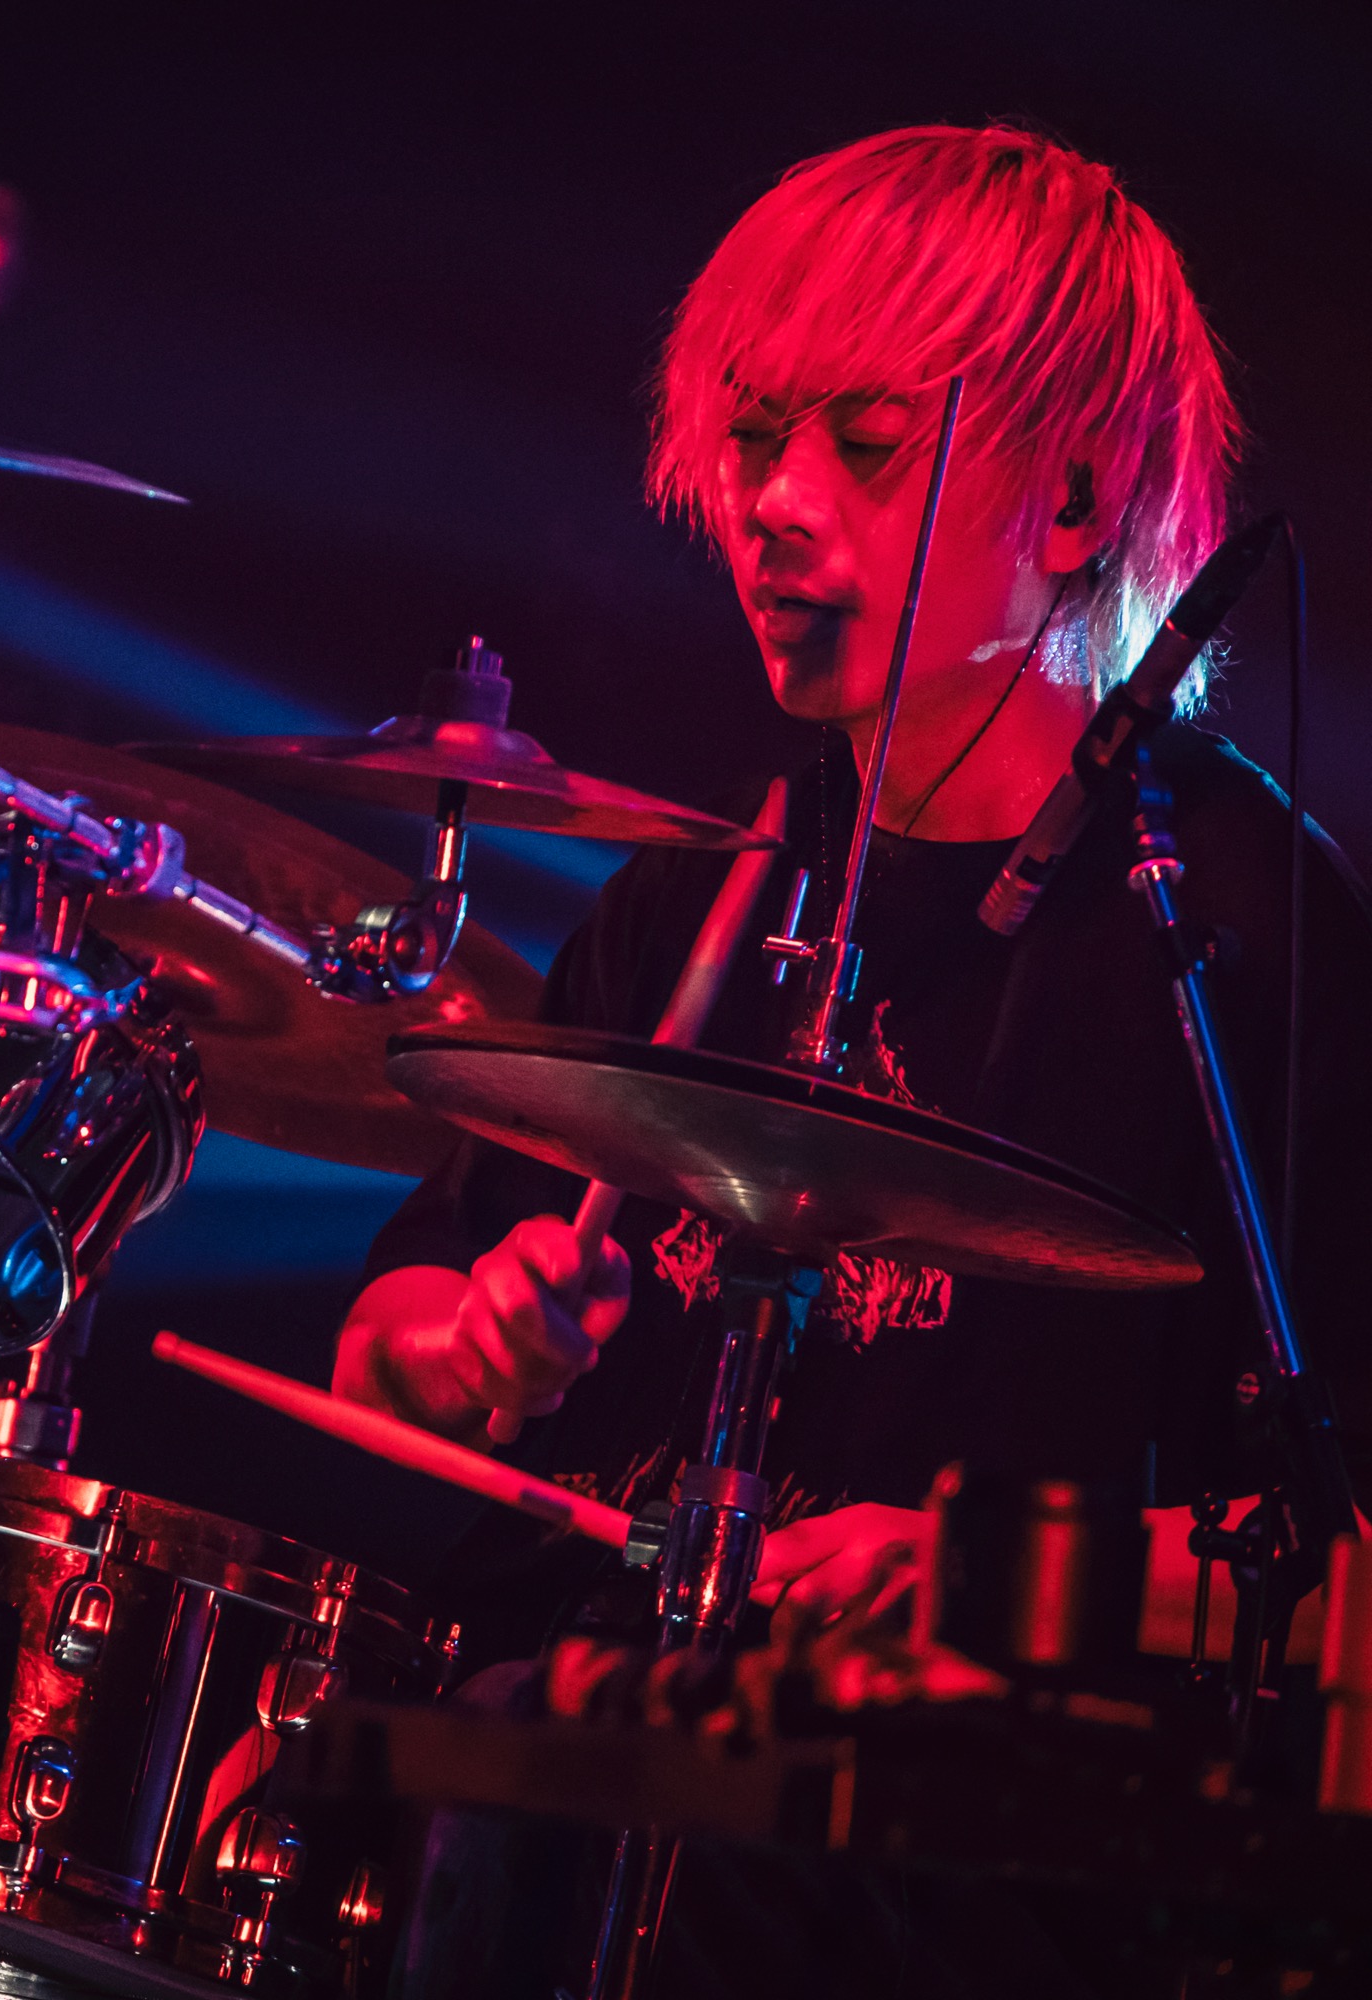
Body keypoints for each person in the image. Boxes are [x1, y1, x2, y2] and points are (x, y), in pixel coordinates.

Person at [335, 124, 1372, 1996]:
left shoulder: (1253, 942)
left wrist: (976, 1574)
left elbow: (1349, 1582)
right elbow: (382, 1351)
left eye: (868, 444)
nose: (774, 503)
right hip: (583, 1802)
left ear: (1075, 501)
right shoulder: (711, 889)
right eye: (754, 440)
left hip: (984, 1908)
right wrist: (462, 1348)